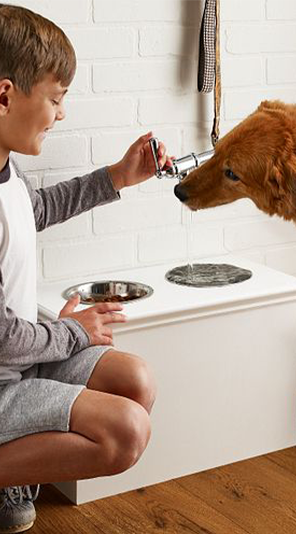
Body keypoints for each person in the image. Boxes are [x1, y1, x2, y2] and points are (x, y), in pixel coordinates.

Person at [0, 5, 171, 532]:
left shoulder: (8, 169)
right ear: (5, 95)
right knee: (125, 433)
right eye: (55, 99)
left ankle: (11, 485)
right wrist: (71, 333)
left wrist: (120, 175)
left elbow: (39, 209)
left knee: (136, 381)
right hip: (6, 368)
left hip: (20, 362)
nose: (62, 114)